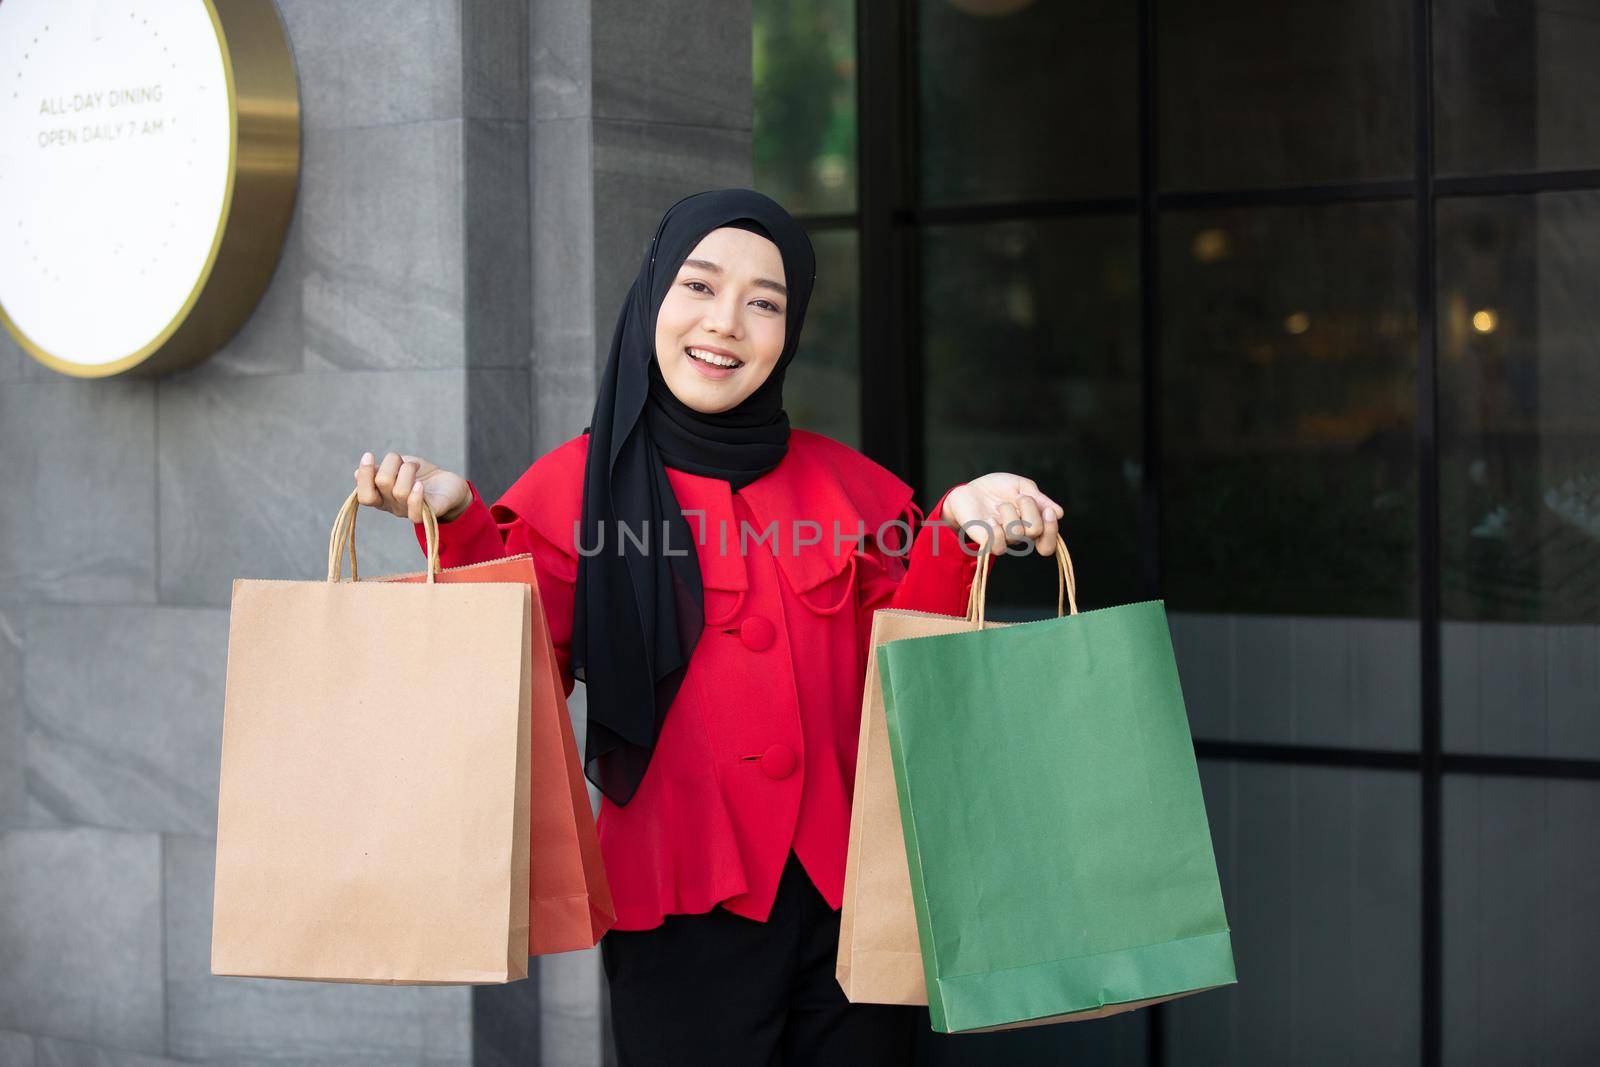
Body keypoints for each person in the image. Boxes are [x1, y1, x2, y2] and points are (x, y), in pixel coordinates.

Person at [352, 187, 1063, 1065]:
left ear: (790, 331)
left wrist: (960, 523)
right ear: (653, 295)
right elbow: (512, 673)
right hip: (680, 911)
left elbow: (919, 666)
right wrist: (456, 522)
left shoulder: (851, 489)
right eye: (699, 286)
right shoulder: (578, 488)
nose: (726, 322)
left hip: (858, 907)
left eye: (764, 301)